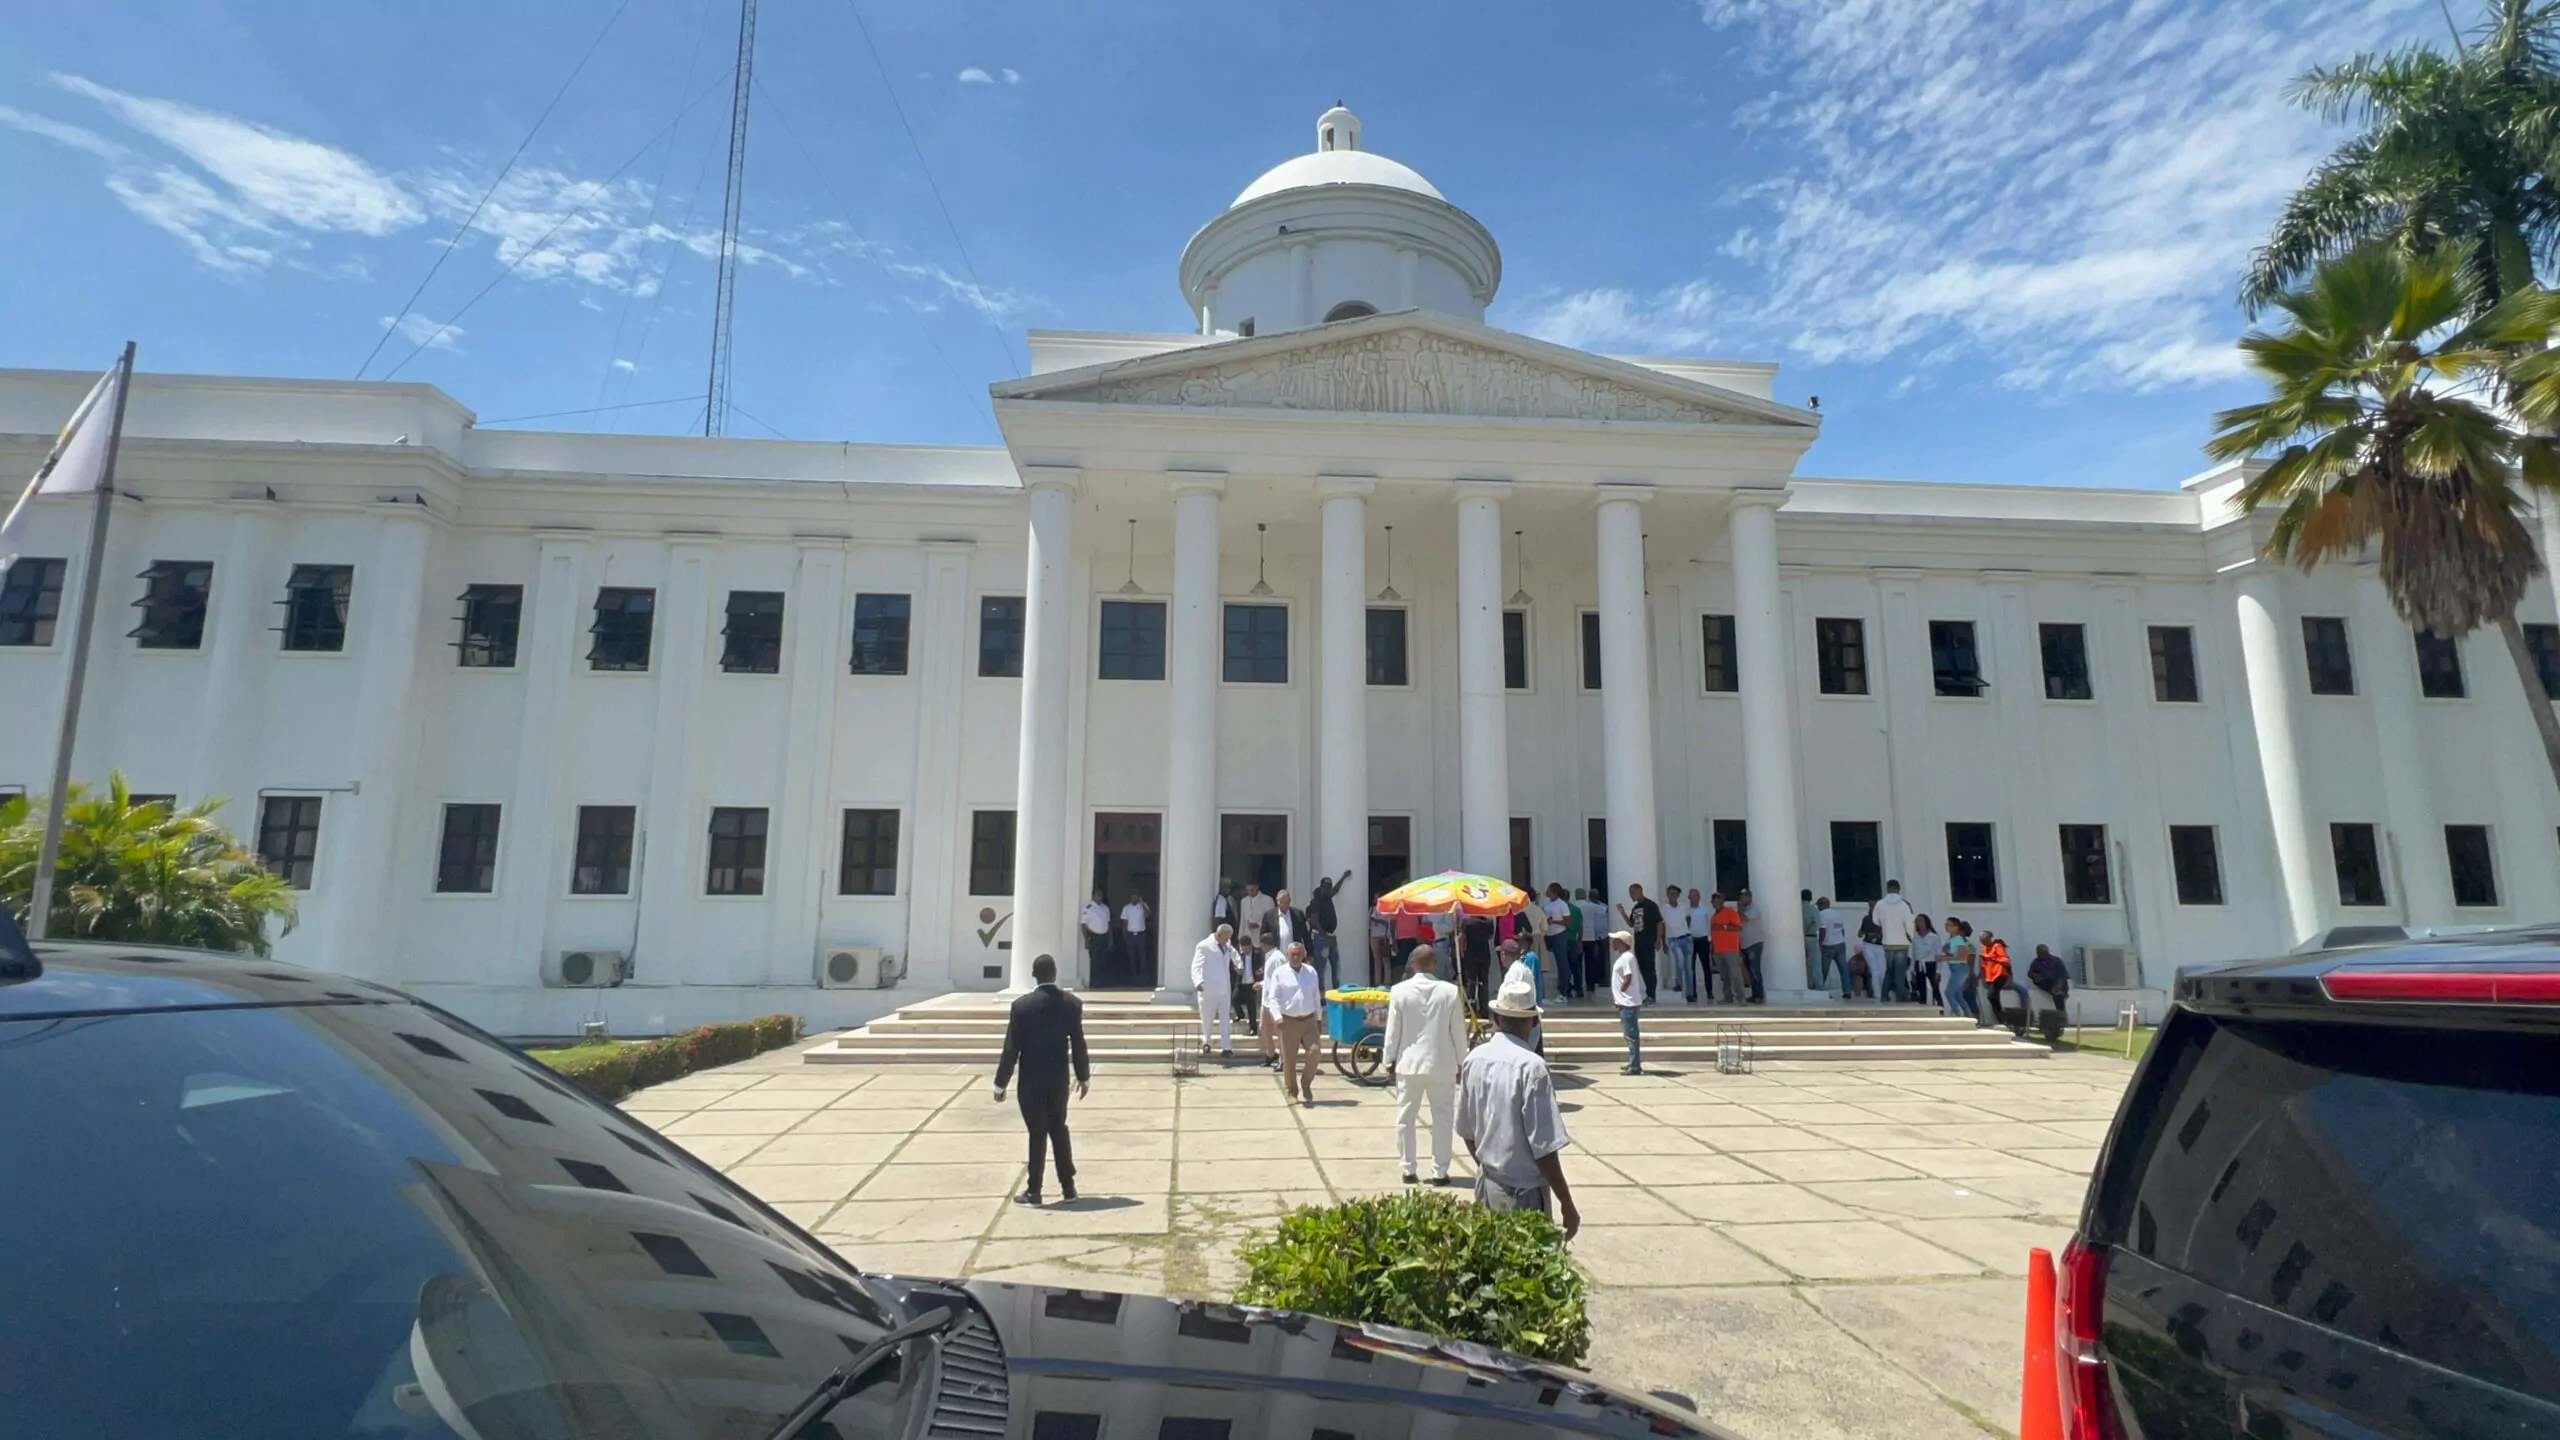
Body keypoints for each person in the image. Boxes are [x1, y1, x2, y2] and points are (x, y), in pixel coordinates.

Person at [1455, 977, 1581, 1239]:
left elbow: (1467, 1133)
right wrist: (1566, 1202)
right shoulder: (1532, 1068)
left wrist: (1491, 1169)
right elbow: (1544, 1148)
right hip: (1523, 1196)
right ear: (1534, 1021)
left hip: (1486, 1185)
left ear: (1495, 1018)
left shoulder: (1474, 1059)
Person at [993, 953, 1090, 1207]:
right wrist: (1083, 1077)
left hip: (1031, 1080)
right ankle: (1068, 1188)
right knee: (1058, 1129)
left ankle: (1034, 1190)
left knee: (1037, 1132)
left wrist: (1000, 1084)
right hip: (1058, 1079)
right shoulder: (1071, 1004)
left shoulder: (1021, 1007)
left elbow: (1011, 1049)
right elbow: (1078, 1044)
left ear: (1034, 976)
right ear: (1055, 974)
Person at [1384, 944, 1468, 1186]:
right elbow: (1458, 1032)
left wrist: (1388, 1060)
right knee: (1442, 1119)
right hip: (1441, 1064)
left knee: (1405, 1118)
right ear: (1434, 964)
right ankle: (1439, 1172)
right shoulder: (1450, 992)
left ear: (1413, 964)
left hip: (1409, 1064)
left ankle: (1408, 1169)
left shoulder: (1399, 991)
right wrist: (1463, 1061)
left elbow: (1393, 1032)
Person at [1268, 942, 1325, 1106]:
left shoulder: (1311, 972)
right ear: (1288, 955)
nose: (1296, 957)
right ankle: (1291, 1092)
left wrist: (1319, 1018)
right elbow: (1273, 999)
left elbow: (1316, 996)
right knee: (1289, 1059)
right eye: (1293, 954)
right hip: (1289, 1021)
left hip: (1309, 1020)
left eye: (1299, 954)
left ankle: (1306, 1083)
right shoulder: (1279, 973)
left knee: (1315, 1052)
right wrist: (1277, 1018)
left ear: (1304, 955)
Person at [1189, 924, 1240, 1055]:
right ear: (1219, 935)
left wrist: (1239, 965)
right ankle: (1206, 1042)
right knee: (1207, 1018)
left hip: (1224, 989)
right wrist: (1198, 981)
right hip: (1208, 989)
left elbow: (1234, 954)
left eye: (1229, 938)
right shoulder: (1204, 946)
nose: (1227, 940)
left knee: (1225, 1019)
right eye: (1226, 938)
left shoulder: (1227, 944)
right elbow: (1196, 966)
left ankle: (1226, 1047)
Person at [1871, 880, 1915, 1002]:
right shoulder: (1904, 905)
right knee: (1900, 970)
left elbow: (1875, 920)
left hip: (1888, 941)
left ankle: (1884, 994)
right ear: (1899, 889)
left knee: (1890, 969)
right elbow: (1909, 923)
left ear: (1887, 888)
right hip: (1902, 941)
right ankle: (1901, 995)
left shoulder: (1880, 904)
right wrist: (1911, 936)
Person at [1607, 929, 1644, 1075]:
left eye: (1616, 940)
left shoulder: (1627, 957)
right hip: (1625, 1002)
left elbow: (1628, 977)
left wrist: (1622, 991)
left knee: (1631, 1034)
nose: (1613, 942)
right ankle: (1632, 1062)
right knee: (1628, 1033)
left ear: (1622, 942)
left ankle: (1635, 1065)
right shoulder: (1624, 957)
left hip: (1629, 1002)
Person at [1620, 884, 1664, 1003]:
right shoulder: (1635, 908)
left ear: (1639, 891)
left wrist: (1658, 940)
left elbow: (1659, 923)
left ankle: (1652, 995)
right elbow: (1631, 924)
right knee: (1642, 968)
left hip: (1649, 941)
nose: (1631, 896)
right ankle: (1648, 993)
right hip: (1639, 942)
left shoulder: (1651, 905)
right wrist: (1622, 912)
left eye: (1632, 893)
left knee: (1650, 968)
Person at [1307, 870, 1351, 987]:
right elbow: (1314, 920)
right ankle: (1320, 993)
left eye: (1329, 887)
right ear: (1321, 887)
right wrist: (1325, 936)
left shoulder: (1327, 897)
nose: (1328, 889)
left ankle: (1336, 990)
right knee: (1321, 967)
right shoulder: (1317, 901)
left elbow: (1335, 890)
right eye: (1326, 887)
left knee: (1335, 964)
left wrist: (1343, 878)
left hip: (1330, 936)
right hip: (1320, 937)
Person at [1498, 939, 1543, 1053]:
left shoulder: (1515, 973)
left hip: (1523, 1025)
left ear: (1503, 955)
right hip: (1529, 1022)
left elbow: (1512, 1001)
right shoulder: (1521, 969)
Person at [1707, 892, 1747, 1005]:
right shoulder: (1713, 917)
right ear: (1712, 903)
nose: (1717, 903)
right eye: (1715, 901)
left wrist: (1724, 927)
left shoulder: (1730, 912)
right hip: (1718, 951)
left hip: (1731, 950)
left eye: (1719, 901)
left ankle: (1741, 998)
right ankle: (1728, 997)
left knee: (1735, 975)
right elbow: (1713, 934)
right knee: (1724, 977)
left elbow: (1738, 927)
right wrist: (1712, 948)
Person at [1543, 884, 1580, 999]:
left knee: (1562, 962)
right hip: (1548, 934)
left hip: (1559, 934)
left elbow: (1568, 921)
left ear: (1553, 891)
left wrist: (1554, 922)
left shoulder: (1562, 904)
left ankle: (1565, 988)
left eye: (1548, 889)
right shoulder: (1546, 904)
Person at [1661, 885, 1696, 1002]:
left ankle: (1690, 993)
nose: (1673, 896)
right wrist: (1663, 942)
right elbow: (1661, 926)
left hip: (1686, 938)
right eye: (1671, 893)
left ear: (1678, 895)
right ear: (1667, 895)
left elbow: (1688, 919)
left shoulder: (1683, 907)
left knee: (1689, 968)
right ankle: (1679, 983)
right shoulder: (1663, 909)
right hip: (1673, 939)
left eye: (1675, 894)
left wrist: (1686, 930)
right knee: (1680, 961)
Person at [1941, 917, 1978, 1021]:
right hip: (1958, 970)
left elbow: (1969, 961)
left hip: (1965, 972)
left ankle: (1971, 1016)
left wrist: (1968, 978)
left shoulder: (1967, 945)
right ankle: (1968, 1014)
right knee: (1958, 995)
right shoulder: (1953, 941)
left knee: (1968, 997)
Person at [1816, 895, 1852, 999]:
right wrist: (1841, 940)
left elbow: (1823, 931)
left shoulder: (1821, 915)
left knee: (1823, 970)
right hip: (1840, 943)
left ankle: (1819, 991)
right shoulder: (1837, 913)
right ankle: (1847, 991)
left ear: (1821, 905)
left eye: (1818, 905)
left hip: (1828, 945)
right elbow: (1842, 930)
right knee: (1843, 969)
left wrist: (1820, 944)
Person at [1574, 889, 1608, 996]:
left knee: (1577, 963)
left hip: (1577, 938)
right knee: (1590, 963)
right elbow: (1605, 910)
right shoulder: (1591, 906)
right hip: (1590, 937)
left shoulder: (1573, 906)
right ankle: (1590, 985)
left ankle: (1578, 986)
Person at [1978, 931, 2014, 1030]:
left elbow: (2006, 961)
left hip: (2000, 974)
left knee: (1991, 995)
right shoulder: (1984, 948)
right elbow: (1983, 963)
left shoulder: (1997, 946)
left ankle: (2002, 1018)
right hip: (1990, 976)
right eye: (1981, 941)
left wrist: (1992, 959)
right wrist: (1981, 975)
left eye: (1984, 940)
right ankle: (2003, 1019)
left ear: (1989, 939)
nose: (1983, 943)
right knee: (1994, 998)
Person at [1736, 887, 1767, 1003]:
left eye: (1745, 896)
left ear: (1750, 897)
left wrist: (1740, 909)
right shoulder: (1742, 909)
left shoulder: (1754, 908)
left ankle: (1759, 995)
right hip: (1745, 943)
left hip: (1754, 943)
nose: (1743, 898)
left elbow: (1743, 919)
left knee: (1755, 970)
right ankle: (1754, 995)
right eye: (1742, 896)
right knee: (1749, 971)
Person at [1261, 888, 1309, 957]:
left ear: (1290, 901)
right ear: (1277, 900)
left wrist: (1310, 953)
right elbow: (1263, 936)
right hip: (1276, 955)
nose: (1283, 905)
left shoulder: (1298, 914)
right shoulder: (1269, 915)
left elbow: (1305, 935)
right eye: (1281, 902)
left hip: (1294, 956)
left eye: (1286, 903)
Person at [1909, 914, 1943, 1009]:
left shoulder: (1934, 937)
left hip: (1930, 964)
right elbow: (1913, 955)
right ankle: (1923, 1009)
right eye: (1917, 921)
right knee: (1921, 990)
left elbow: (1938, 954)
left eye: (1921, 921)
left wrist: (1938, 971)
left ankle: (1941, 1009)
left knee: (1935, 989)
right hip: (1919, 964)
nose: (1919, 923)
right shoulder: (1915, 938)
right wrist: (1912, 970)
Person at [1118, 890, 1151, 985]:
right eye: (1132, 896)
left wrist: (1143, 903)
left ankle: (1143, 978)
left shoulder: (1142, 906)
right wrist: (1124, 934)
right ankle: (1134, 978)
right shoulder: (1126, 908)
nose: (1133, 898)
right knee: (1132, 957)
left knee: (1143, 957)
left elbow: (1148, 915)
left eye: (1136, 896)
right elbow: (1124, 923)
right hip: (1130, 935)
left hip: (1141, 935)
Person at [1080, 890, 1114, 980]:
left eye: (1100, 895)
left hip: (1104, 937)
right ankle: (1095, 981)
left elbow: (1108, 924)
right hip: (1094, 937)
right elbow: (1083, 925)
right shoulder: (1088, 908)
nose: (1099, 897)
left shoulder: (1105, 908)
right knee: (1095, 961)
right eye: (1097, 895)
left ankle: (1103, 980)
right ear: (1093, 896)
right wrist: (1086, 939)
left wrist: (1110, 939)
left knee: (1104, 959)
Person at [1801, 888, 1821, 995]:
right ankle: (1817, 985)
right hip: (1811, 937)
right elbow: (1817, 923)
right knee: (1814, 963)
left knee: (1801, 963)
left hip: (1799, 939)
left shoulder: (1797, 908)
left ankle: (1803, 983)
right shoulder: (1813, 909)